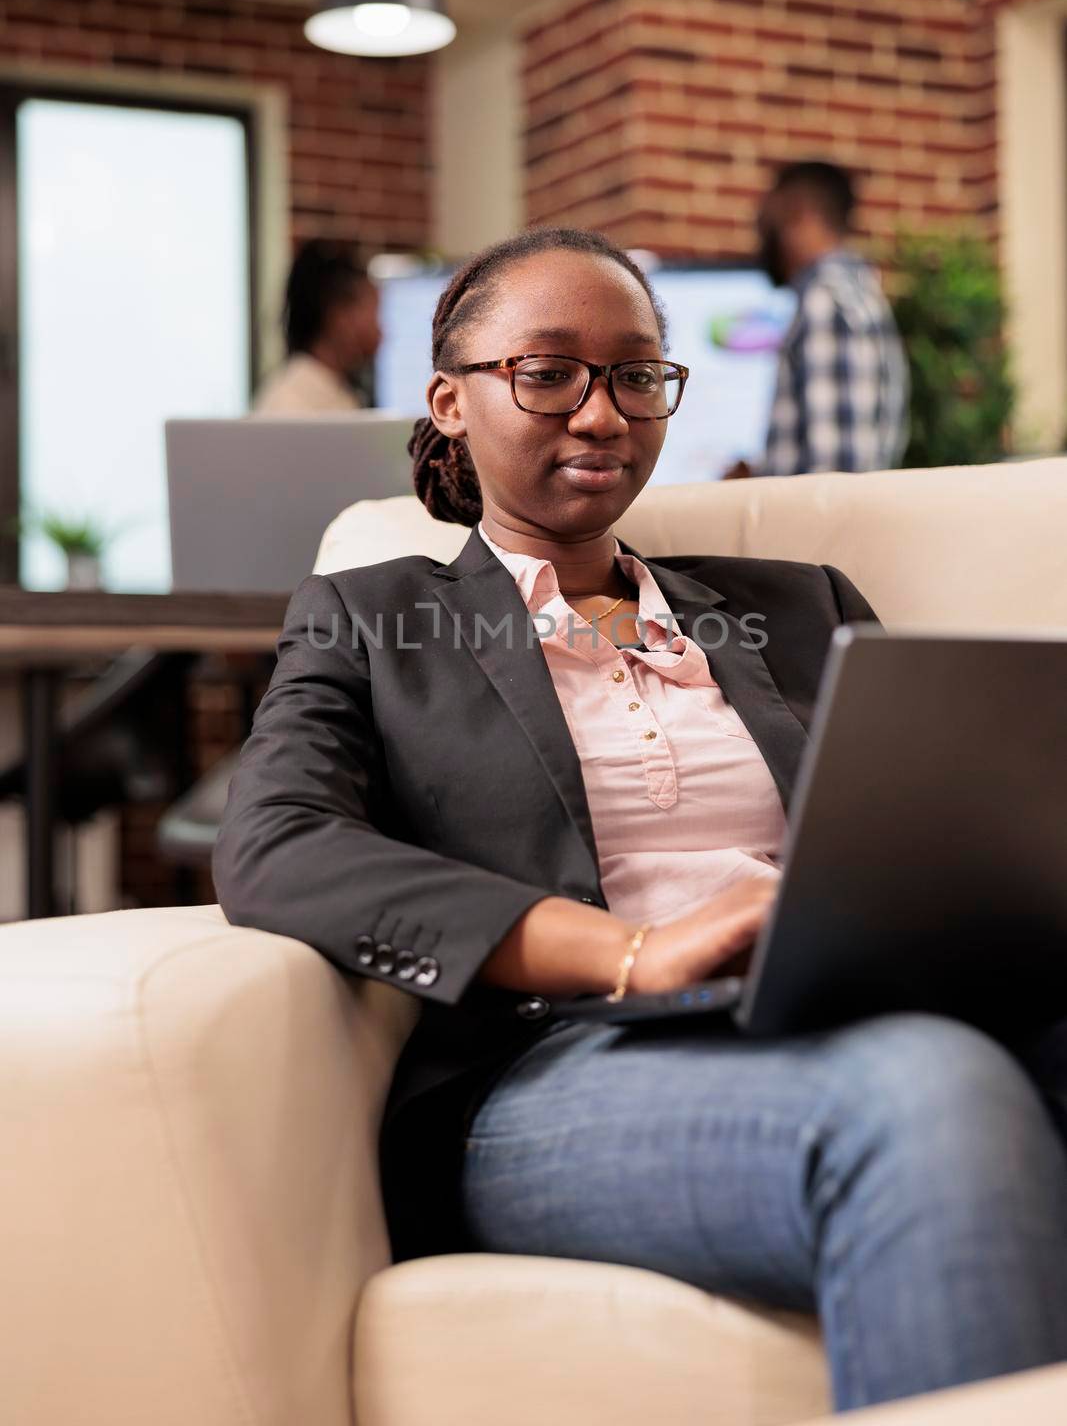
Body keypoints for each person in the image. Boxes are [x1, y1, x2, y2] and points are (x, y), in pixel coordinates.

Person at [214, 226, 1067, 1414]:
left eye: (635, 374)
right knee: (917, 1093)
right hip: (563, 1064)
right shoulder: (371, 616)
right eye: (548, 372)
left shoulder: (797, 604)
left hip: (843, 999)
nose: (602, 414)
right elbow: (275, 844)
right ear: (449, 399)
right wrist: (627, 949)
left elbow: (947, 810)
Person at [726, 161, 909, 478]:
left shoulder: (826, 301)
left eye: (767, 219)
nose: (761, 235)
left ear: (797, 213)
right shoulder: (854, 294)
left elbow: (833, 477)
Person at [251, 238, 382, 414]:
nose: (381, 330)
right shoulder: (296, 403)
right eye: (375, 313)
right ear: (339, 315)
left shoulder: (332, 391)